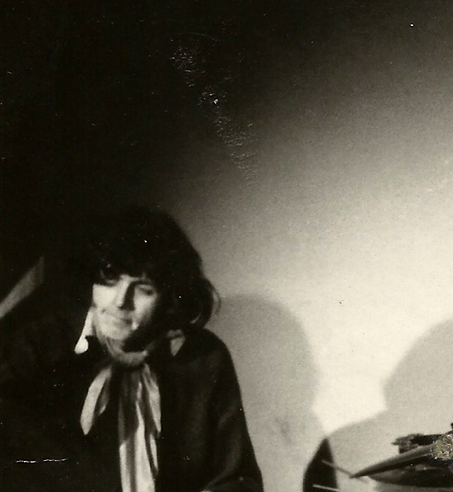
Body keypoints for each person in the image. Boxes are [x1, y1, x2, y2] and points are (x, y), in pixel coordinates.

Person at [0, 206, 262, 492]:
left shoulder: (203, 358)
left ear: (169, 297)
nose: (120, 301)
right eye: (110, 278)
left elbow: (237, 479)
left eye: (143, 288)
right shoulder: (42, 342)